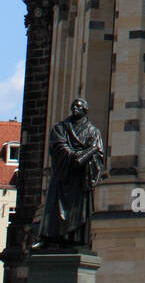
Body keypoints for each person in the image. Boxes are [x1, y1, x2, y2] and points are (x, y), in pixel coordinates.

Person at [33, 97, 105, 249]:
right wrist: (75, 155)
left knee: (77, 212)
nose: (75, 109)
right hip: (63, 175)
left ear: (85, 111)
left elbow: (99, 155)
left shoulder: (93, 131)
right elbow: (58, 146)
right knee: (53, 208)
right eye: (73, 106)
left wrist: (87, 157)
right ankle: (49, 238)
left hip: (80, 179)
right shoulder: (61, 128)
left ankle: (75, 239)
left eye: (78, 107)